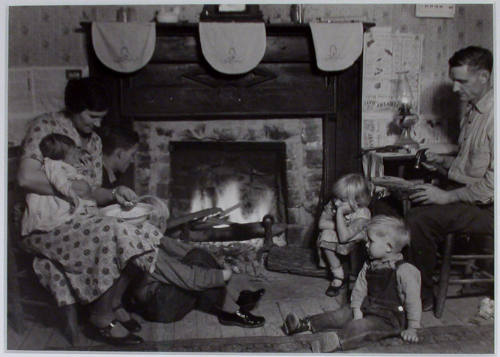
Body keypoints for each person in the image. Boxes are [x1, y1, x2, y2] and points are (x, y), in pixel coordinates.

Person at [17, 77, 165, 345]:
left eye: (101, 117)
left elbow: (94, 189)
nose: (97, 124)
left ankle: (115, 302)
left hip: (79, 218)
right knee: (113, 230)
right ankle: (101, 316)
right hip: (47, 226)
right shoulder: (45, 127)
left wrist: (114, 194)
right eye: (92, 116)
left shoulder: (94, 141)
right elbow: (26, 178)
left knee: (145, 226)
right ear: (73, 107)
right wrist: (75, 191)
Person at [406, 46, 494, 310]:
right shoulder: (473, 110)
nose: (455, 89)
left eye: (462, 81)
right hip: (469, 196)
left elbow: (492, 186)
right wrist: (442, 163)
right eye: (453, 80)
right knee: (396, 200)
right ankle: (400, 282)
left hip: (488, 208)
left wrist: (445, 196)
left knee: (418, 220)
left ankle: (421, 298)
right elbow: (471, 166)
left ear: (484, 77)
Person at [284, 215, 422, 353]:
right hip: (367, 307)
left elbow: (413, 301)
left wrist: (412, 328)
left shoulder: (405, 270)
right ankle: (305, 324)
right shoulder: (369, 265)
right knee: (341, 314)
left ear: (388, 247)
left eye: (371, 241)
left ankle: (337, 341)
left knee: (362, 327)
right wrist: (356, 309)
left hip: (389, 319)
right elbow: (359, 289)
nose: (366, 244)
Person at [21, 133, 99, 235]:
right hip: (58, 198)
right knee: (71, 210)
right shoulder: (54, 165)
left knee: (88, 205)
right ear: (60, 157)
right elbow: (60, 182)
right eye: (73, 155)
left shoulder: (65, 165)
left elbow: (73, 175)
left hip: (65, 194)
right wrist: (71, 194)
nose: (76, 157)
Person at [317, 173, 372, 297]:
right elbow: (321, 224)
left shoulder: (362, 213)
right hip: (344, 233)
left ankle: (354, 276)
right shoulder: (334, 203)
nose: (336, 203)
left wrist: (339, 214)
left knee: (357, 251)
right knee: (325, 236)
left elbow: (344, 237)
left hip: (356, 239)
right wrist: (340, 224)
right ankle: (338, 274)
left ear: (357, 201)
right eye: (336, 197)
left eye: (342, 200)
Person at [98, 125, 140, 189]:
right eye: (132, 155)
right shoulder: (97, 177)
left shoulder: (113, 176)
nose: (132, 160)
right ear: (119, 153)